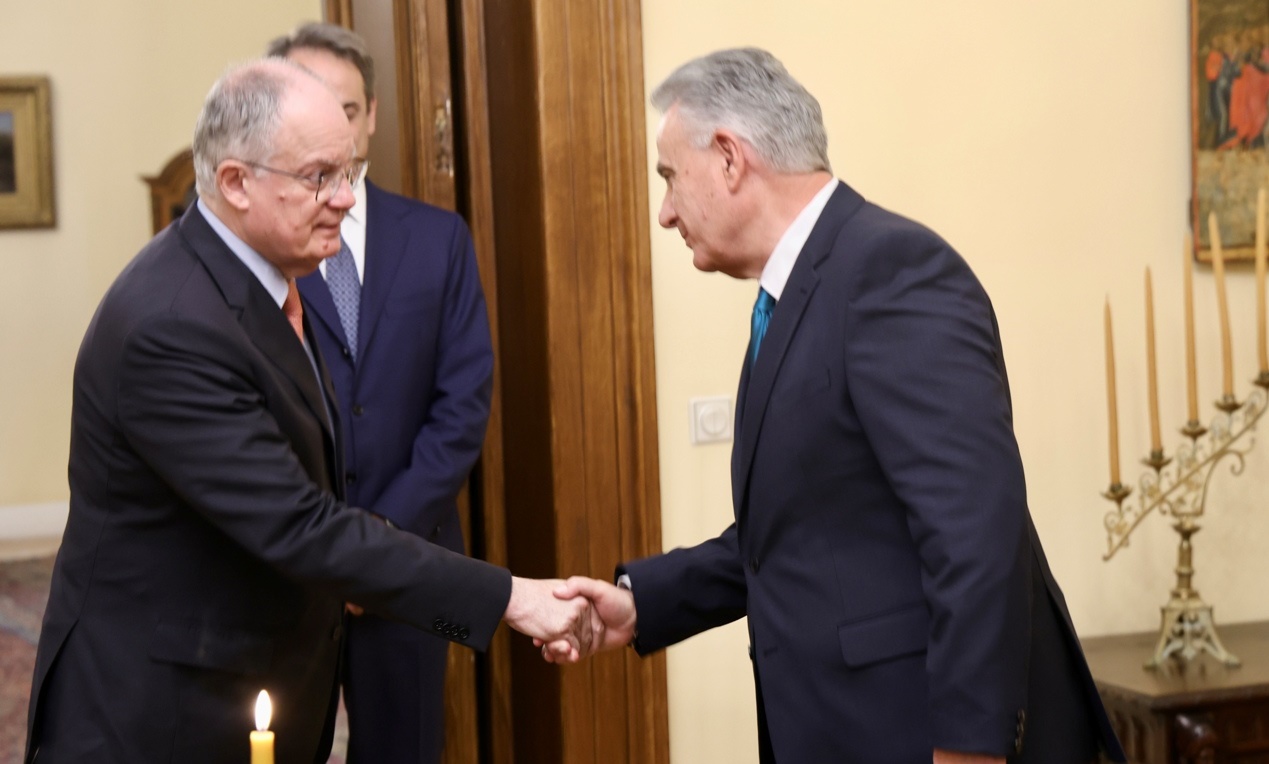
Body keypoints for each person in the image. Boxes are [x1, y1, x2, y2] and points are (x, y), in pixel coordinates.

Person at [553, 48, 1126, 763]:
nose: (665, 212)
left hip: (922, 737)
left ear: (729, 158)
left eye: (669, 176)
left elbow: (975, 532)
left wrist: (968, 748)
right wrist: (644, 603)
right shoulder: (794, 294)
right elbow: (799, 532)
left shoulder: (890, 270)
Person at [24, 58, 585, 764]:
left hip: (247, 689)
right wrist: (509, 600)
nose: (346, 199)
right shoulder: (172, 324)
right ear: (236, 182)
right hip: (159, 717)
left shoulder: (266, 280)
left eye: (349, 172)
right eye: (320, 177)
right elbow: (298, 526)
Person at [264, 23, 493, 764]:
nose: (334, 125)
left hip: (412, 559)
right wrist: (329, 551)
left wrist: (380, 543)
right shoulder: (257, 247)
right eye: (310, 105)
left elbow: (461, 407)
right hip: (285, 568)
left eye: (347, 108)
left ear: (370, 118)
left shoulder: (439, 238)